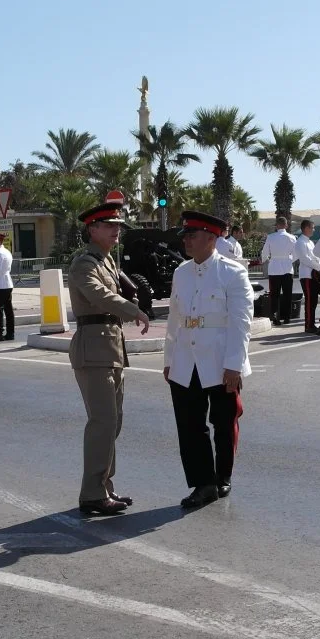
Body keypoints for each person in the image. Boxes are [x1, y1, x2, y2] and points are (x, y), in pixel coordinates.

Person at [164, 210, 253, 509]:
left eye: (193, 235)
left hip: (219, 360)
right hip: (186, 359)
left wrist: (234, 364)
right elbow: (175, 318)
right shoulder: (181, 272)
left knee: (223, 423)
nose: (187, 240)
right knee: (190, 426)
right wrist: (169, 358)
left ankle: (222, 476)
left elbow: (242, 322)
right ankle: (203, 484)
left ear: (212, 238)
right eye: (186, 235)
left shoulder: (232, 273)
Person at [67, 202, 151, 516]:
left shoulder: (107, 261)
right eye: (109, 225)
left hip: (110, 346)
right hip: (94, 347)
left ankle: (103, 487)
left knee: (112, 423)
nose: (117, 230)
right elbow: (99, 295)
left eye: (118, 225)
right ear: (92, 229)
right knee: (102, 422)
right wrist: (133, 310)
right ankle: (92, 493)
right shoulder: (84, 263)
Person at [260, 216, 297, 326]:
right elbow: (296, 253)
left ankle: (275, 317)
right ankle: (287, 317)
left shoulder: (271, 237)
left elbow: (265, 252)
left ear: (277, 225)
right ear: (286, 225)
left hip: (274, 267)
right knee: (287, 294)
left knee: (274, 295)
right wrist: (290, 259)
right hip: (287, 267)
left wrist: (264, 260)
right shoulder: (292, 237)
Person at [295, 219, 320, 333]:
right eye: (312, 227)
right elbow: (305, 259)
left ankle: (311, 323)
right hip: (306, 275)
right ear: (306, 228)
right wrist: (319, 267)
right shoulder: (300, 242)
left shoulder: (310, 242)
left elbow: (315, 257)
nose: (313, 230)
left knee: (314, 300)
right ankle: (308, 325)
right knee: (310, 301)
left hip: (314, 275)